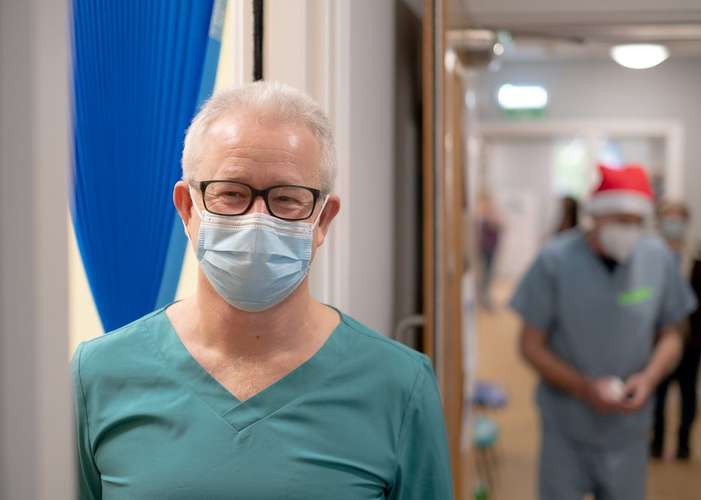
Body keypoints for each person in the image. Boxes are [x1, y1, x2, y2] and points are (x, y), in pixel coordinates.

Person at [71, 82, 453, 499]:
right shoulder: (98, 375)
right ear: (187, 207)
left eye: (287, 198)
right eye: (231, 193)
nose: (257, 220)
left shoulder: (399, 385)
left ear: (322, 220)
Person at [511, 164, 696, 500]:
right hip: (566, 425)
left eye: (637, 222)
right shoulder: (555, 261)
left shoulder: (657, 259)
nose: (630, 230)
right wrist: (583, 387)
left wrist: (650, 378)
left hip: (629, 430)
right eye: (621, 220)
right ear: (596, 216)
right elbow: (530, 345)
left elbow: (673, 332)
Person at [651, 200, 701, 461]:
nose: (673, 224)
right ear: (660, 221)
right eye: (668, 218)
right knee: (657, 391)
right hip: (655, 336)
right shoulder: (649, 255)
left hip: (692, 337)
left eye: (678, 218)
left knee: (687, 391)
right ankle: (657, 441)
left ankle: (684, 443)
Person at [477, 192, 503, 309]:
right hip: (486, 249)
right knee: (486, 275)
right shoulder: (484, 215)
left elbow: (501, 225)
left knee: (489, 274)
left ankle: (486, 298)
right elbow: (496, 225)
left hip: (491, 248)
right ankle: (485, 300)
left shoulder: (490, 214)